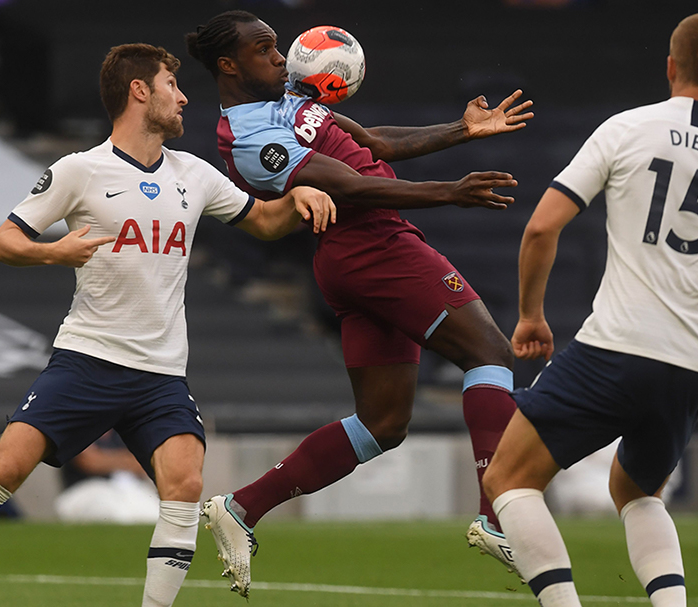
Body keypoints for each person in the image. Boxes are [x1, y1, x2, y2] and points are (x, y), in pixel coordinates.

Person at [0, 43, 335, 607]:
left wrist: (297, 197)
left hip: (161, 373)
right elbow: (5, 240)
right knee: (7, 466)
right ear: (139, 91)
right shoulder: (80, 170)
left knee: (186, 485)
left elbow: (263, 221)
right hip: (88, 358)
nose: (183, 96)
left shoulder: (193, 174)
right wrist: (56, 252)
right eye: (172, 84)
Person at [482, 13, 698, 607]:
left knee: (508, 479)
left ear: (670, 67)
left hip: (615, 345)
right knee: (637, 491)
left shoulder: (624, 130)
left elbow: (541, 227)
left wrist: (531, 315)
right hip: (691, 363)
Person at [185, 10, 533, 597]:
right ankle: (495, 515)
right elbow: (348, 184)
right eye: (265, 50)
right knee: (491, 354)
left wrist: (461, 130)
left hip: (356, 257)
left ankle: (242, 508)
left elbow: (370, 143)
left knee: (382, 423)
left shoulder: (290, 104)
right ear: (228, 65)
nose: (280, 58)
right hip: (373, 246)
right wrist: (450, 191)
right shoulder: (247, 135)